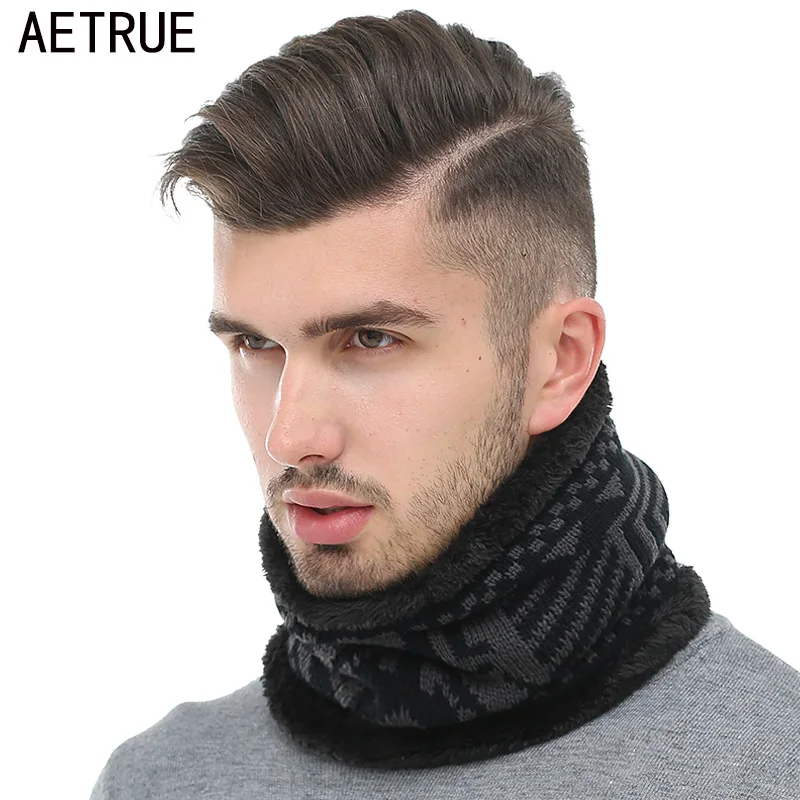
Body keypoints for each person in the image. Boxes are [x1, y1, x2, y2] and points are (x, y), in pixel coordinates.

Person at [89, 9, 799, 799]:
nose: (291, 436)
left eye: (370, 340)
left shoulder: (772, 765)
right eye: (255, 344)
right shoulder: (159, 781)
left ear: (559, 361)